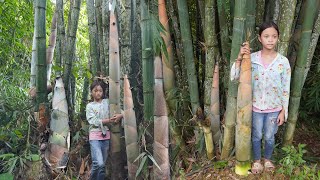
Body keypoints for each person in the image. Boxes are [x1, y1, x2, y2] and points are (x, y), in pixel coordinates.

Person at [230, 21, 291, 174]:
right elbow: (234, 77)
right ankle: (257, 161)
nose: (270, 39)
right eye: (266, 36)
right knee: (256, 135)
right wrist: (239, 57)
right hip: (255, 107)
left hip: (274, 108)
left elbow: (286, 89)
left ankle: (268, 159)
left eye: (274, 36)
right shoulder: (252, 58)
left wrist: (284, 111)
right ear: (259, 39)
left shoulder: (283, 62)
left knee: (270, 136)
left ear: (278, 38)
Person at [86, 80, 123, 180]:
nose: (98, 93)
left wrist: (121, 115)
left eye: (100, 91)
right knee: (99, 163)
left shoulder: (107, 102)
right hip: (94, 137)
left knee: (101, 166)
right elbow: (92, 120)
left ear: (103, 92)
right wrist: (108, 120)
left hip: (106, 136)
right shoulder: (90, 106)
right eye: (95, 90)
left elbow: (119, 109)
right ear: (91, 92)